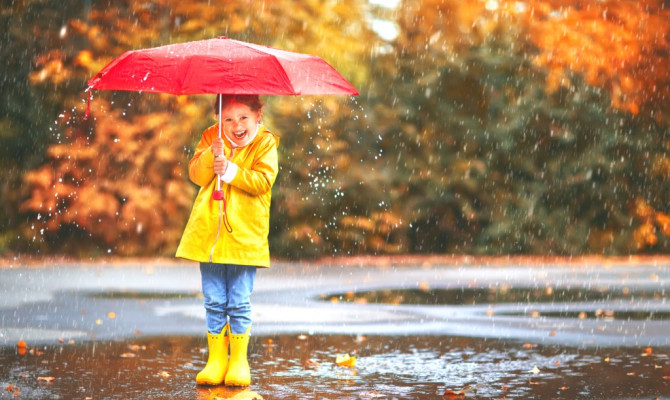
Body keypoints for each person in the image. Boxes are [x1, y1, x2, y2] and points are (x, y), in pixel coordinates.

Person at [176, 94, 279, 387]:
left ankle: (238, 360)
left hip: (244, 236)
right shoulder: (212, 136)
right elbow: (196, 175)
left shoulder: (265, 143)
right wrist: (211, 154)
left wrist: (231, 170)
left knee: (238, 301)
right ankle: (216, 359)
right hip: (210, 234)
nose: (236, 125)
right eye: (228, 119)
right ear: (219, 120)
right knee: (213, 300)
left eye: (243, 117)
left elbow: (262, 182)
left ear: (258, 115)